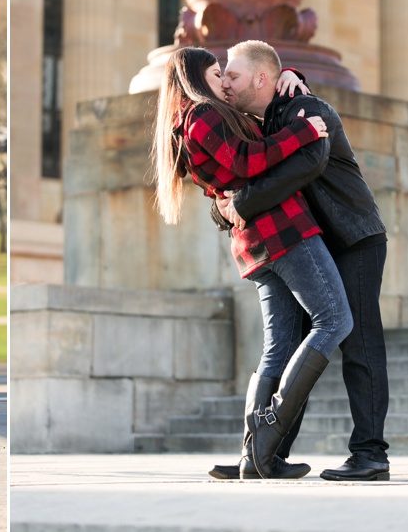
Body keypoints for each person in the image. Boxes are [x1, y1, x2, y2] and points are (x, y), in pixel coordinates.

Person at [151, 46, 353, 480]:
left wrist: (291, 74)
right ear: (195, 78)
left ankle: (253, 457)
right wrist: (302, 132)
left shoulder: (200, 118)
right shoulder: (200, 117)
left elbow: (246, 154)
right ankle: (269, 431)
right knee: (335, 320)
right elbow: (247, 161)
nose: (224, 80)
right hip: (282, 231)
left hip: (258, 242)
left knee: (279, 345)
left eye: (227, 73)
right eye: (216, 73)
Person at [210, 39, 390, 482]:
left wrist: (242, 204)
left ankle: (371, 455)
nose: (226, 83)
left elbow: (303, 167)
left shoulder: (309, 111)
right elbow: (232, 178)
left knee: (359, 343)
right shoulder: (258, 121)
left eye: (232, 75)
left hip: (354, 238)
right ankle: (265, 453)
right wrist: (224, 206)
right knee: (289, 347)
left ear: (260, 79)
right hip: (310, 244)